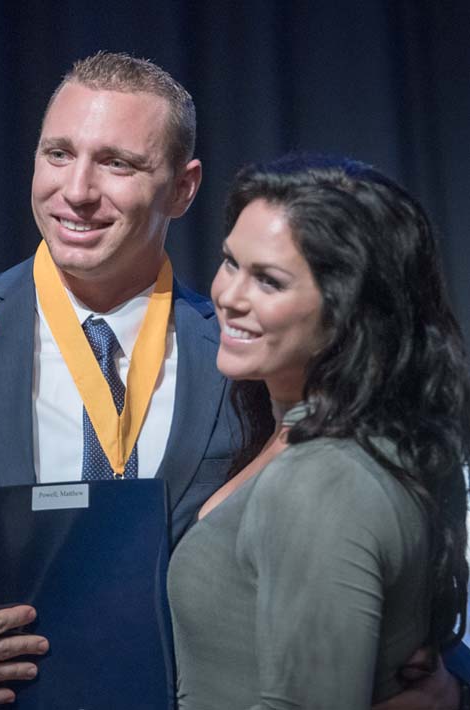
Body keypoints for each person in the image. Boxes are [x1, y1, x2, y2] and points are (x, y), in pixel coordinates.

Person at [0, 57, 468, 710]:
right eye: (58, 153)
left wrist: (453, 683)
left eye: (118, 163)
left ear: (183, 187)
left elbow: (392, 563)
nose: (78, 191)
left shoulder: (251, 358)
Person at [167, 154, 470, 709]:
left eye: (269, 281)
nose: (230, 295)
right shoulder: (311, 435)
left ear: (349, 312)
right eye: (231, 263)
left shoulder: (320, 478)